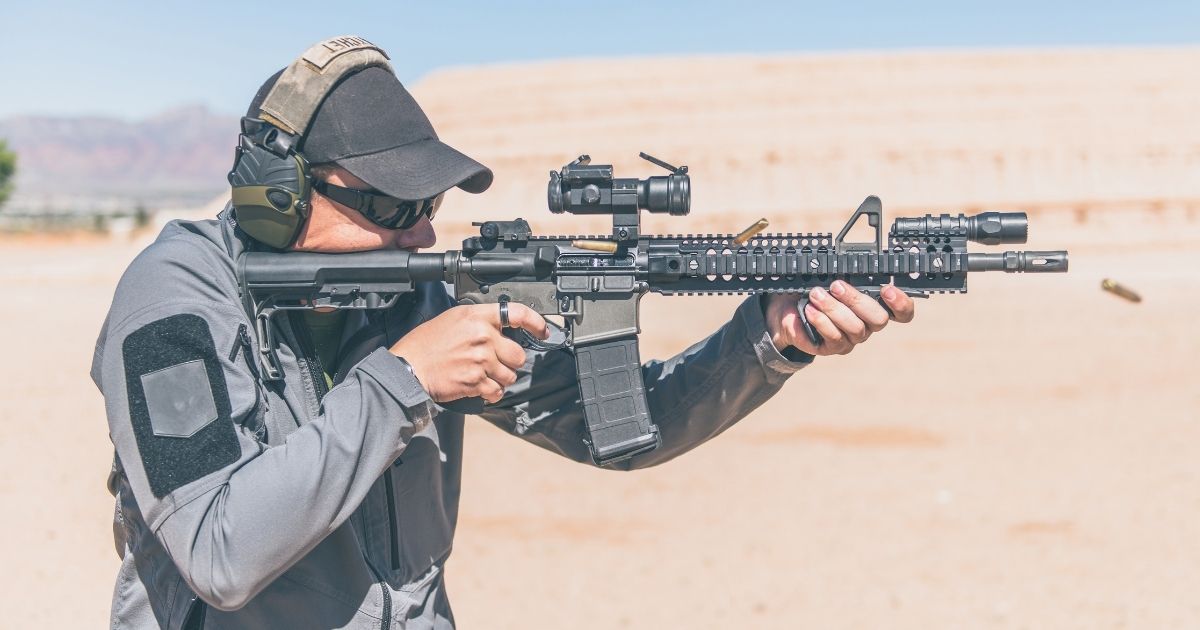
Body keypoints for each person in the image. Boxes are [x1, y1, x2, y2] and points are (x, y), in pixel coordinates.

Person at [92, 37, 914, 629]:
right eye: (388, 207)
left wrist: (770, 340)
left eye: (430, 207)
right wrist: (404, 380)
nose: (419, 235)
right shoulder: (173, 306)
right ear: (277, 193)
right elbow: (217, 552)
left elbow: (624, 428)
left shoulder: (416, 298)